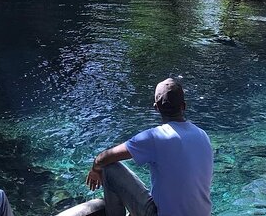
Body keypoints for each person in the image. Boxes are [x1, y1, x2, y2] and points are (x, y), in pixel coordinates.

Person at [85, 78, 213, 216]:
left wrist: (95, 169)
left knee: (108, 168)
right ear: (183, 106)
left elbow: (103, 158)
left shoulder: (155, 137)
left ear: (156, 107)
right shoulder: (203, 135)